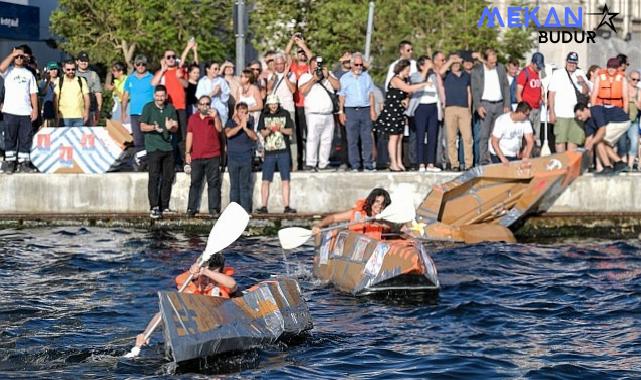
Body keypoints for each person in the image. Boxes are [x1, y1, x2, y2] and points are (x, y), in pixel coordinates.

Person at [133, 253, 239, 350]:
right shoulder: (189, 289)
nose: (207, 281)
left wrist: (205, 271)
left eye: (211, 277)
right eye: (204, 277)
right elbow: (166, 312)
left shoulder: (224, 285)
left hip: (224, 322)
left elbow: (233, 285)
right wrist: (146, 333)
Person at [377, 59, 428, 172]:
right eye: (406, 70)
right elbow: (408, 88)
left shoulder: (405, 80)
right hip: (392, 110)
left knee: (400, 137)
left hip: (399, 111)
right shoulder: (395, 79)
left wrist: (407, 99)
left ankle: (399, 161)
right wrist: (424, 84)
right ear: (401, 69)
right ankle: (393, 163)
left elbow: (408, 93)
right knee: (393, 137)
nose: (408, 73)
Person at [140, 85, 178, 219]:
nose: (160, 98)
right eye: (158, 95)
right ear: (154, 96)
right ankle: (154, 206)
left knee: (168, 178)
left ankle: (164, 206)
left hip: (168, 147)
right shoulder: (148, 107)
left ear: (166, 96)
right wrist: (154, 128)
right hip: (153, 148)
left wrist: (171, 127)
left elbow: (176, 127)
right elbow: (142, 126)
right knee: (154, 177)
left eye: (162, 96)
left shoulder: (170, 108)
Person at [255, 95, 296, 214]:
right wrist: (269, 130)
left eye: (275, 104)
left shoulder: (285, 113)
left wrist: (279, 128)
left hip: (283, 151)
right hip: (269, 152)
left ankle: (287, 206)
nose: (273, 106)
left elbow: (290, 131)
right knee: (265, 180)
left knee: (285, 180)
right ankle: (264, 206)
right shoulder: (264, 115)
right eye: (271, 104)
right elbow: (262, 133)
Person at [298, 55, 340, 171]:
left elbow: (338, 86)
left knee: (327, 139)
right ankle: (310, 163)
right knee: (312, 138)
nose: (317, 69)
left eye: (319, 67)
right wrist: (313, 79)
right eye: (315, 67)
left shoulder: (328, 74)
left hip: (328, 113)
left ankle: (323, 163)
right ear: (310, 66)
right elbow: (302, 91)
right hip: (313, 113)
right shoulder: (305, 76)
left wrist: (328, 77)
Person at [0, 47, 38, 174]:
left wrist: (35, 110)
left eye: (22, 57)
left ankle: (23, 163)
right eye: (17, 57)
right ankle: (9, 163)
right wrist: (13, 54)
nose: (19, 58)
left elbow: (33, 93)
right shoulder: (8, 71)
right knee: (10, 137)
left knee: (25, 138)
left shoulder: (29, 74)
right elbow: (1, 68)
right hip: (10, 111)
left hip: (25, 112)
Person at [338, 52, 377, 172]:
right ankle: (354, 164)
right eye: (356, 65)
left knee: (367, 139)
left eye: (361, 65)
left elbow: (371, 94)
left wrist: (372, 110)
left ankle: (368, 164)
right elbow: (342, 96)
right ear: (351, 64)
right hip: (351, 110)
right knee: (352, 139)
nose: (359, 67)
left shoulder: (366, 77)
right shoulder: (345, 78)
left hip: (365, 109)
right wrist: (341, 112)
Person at [471, 48, 511, 165]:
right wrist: (478, 106)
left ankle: (496, 158)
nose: (494, 64)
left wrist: (507, 104)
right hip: (485, 104)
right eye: (492, 62)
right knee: (484, 135)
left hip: (499, 104)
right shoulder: (477, 71)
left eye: (495, 61)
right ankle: (483, 160)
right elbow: (475, 90)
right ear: (485, 60)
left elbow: (506, 86)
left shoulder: (500, 68)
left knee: (497, 134)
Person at [186, 95, 222, 217]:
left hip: (213, 155)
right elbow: (189, 135)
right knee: (195, 183)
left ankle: (213, 209)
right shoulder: (192, 118)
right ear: (198, 106)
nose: (205, 106)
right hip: (196, 156)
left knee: (213, 183)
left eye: (207, 104)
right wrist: (187, 152)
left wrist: (216, 117)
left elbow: (220, 130)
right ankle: (191, 208)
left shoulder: (214, 116)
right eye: (202, 104)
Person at [406, 56, 445, 172]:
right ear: (421, 65)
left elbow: (439, 84)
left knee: (432, 136)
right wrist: (425, 71)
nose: (430, 64)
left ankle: (430, 163)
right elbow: (416, 83)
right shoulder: (415, 75)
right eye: (428, 63)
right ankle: (421, 163)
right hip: (420, 107)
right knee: (420, 136)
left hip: (433, 107)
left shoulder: (433, 75)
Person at [547, 52, 590, 153]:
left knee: (573, 140)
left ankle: (570, 165)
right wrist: (551, 112)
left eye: (574, 63)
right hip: (561, 113)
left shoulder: (580, 73)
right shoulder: (558, 73)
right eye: (570, 62)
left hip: (576, 114)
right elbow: (551, 94)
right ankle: (562, 164)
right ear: (566, 62)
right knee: (560, 140)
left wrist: (583, 82)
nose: (572, 64)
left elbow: (586, 92)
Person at [311, 188, 391, 240]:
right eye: (377, 202)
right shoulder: (357, 212)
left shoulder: (387, 217)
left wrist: (373, 222)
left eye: (383, 204)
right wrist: (318, 226)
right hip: (354, 246)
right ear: (371, 201)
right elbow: (333, 218)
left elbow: (392, 226)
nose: (379, 206)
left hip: (373, 247)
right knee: (337, 231)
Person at [574, 103, 630, 175]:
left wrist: (592, 143)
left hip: (621, 120)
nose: (579, 118)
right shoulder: (587, 122)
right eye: (578, 117)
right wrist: (584, 153)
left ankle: (608, 167)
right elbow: (589, 139)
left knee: (598, 140)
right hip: (616, 123)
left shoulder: (595, 110)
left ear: (585, 110)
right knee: (602, 142)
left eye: (580, 115)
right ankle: (620, 163)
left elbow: (602, 130)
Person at [285, 33, 313, 171]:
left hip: (306, 105)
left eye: (303, 52)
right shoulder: (294, 66)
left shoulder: (309, 67)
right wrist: (292, 40)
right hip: (294, 104)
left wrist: (303, 45)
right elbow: (286, 53)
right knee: (295, 135)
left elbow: (312, 57)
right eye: (299, 52)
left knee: (306, 135)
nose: (302, 54)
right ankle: (298, 161)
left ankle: (307, 160)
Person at [122, 54, 154, 169]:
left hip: (149, 113)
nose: (141, 66)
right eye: (138, 64)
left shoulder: (152, 77)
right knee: (138, 139)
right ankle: (141, 163)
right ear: (135, 65)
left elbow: (157, 96)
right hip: (134, 113)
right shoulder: (130, 78)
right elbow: (125, 96)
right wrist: (123, 112)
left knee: (149, 138)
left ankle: (150, 163)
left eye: (143, 64)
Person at [225, 102, 257, 213]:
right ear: (237, 112)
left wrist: (246, 127)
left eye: (245, 112)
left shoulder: (250, 122)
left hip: (246, 158)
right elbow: (228, 134)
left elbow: (254, 137)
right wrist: (240, 126)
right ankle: (233, 212)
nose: (243, 114)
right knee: (234, 186)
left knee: (245, 186)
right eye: (241, 112)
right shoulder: (230, 122)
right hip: (233, 158)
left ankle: (246, 211)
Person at [443, 54, 473, 171]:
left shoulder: (466, 75)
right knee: (451, 138)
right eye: (453, 64)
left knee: (467, 137)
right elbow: (440, 72)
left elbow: (469, 92)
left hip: (464, 108)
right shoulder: (447, 75)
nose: (455, 65)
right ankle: (454, 163)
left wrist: (469, 108)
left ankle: (468, 164)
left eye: (457, 63)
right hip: (450, 108)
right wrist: (450, 60)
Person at [516, 52, 545, 146]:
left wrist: (541, 97)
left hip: (537, 108)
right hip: (528, 109)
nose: (539, 68)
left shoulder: (537, 74)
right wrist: (523, 109)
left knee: (536, 135)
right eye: (538, 66)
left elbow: (538, 88)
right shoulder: (524, 73)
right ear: (532, 63)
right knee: (527, 134)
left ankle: (534, 153)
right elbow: (518, 93)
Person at [55, 59, 90, 127]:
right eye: (68, 69)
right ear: (64, 69)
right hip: (64, 117)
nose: (71, 71)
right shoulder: (59, 81)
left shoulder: (81, 80)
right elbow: (55, 98)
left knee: (78, 137)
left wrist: (86, 112)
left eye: (73, 69)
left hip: (79, 116)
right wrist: (56, 114)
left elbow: (86, 97)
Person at [75, 51, 103, 126]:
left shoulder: (93, 75)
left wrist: (98, 111)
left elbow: (98, 94)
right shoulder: (72, 74)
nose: (84, 63)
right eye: (82, 60)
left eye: (86, 61)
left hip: (91, 111)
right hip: (75, 111)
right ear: (77, 62)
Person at [39, 61, 60, 129]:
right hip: (48, 108)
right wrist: (47, 81)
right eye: (51, 69)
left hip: (59, 107)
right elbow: (42, 93)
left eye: (55, 69)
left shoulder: (61, 81)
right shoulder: (43, 82)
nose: (54, 71)